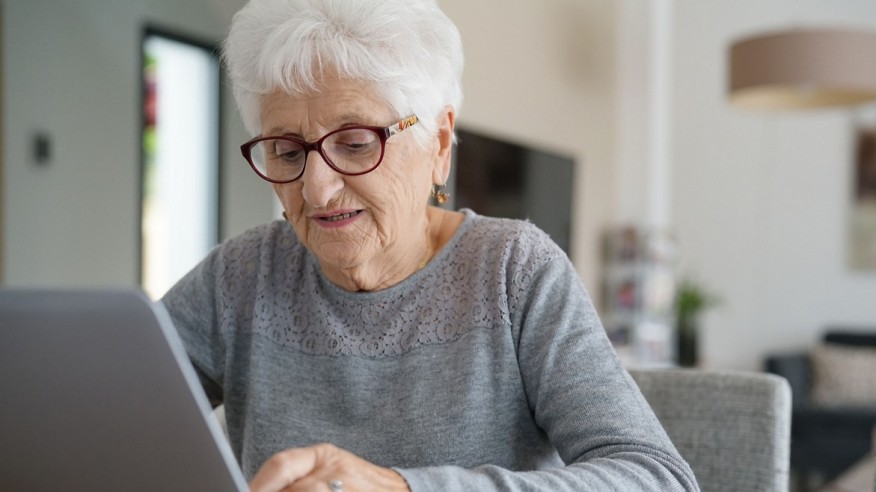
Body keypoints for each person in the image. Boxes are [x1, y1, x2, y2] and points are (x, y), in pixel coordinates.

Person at [160, 0, 700, 490]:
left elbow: (657, 478)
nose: (315, 189)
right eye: (285, 150)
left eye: (354, 144)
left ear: (438, 145)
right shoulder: (242, 275)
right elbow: (101, 412)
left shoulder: (515, 273)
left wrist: (402, 488)